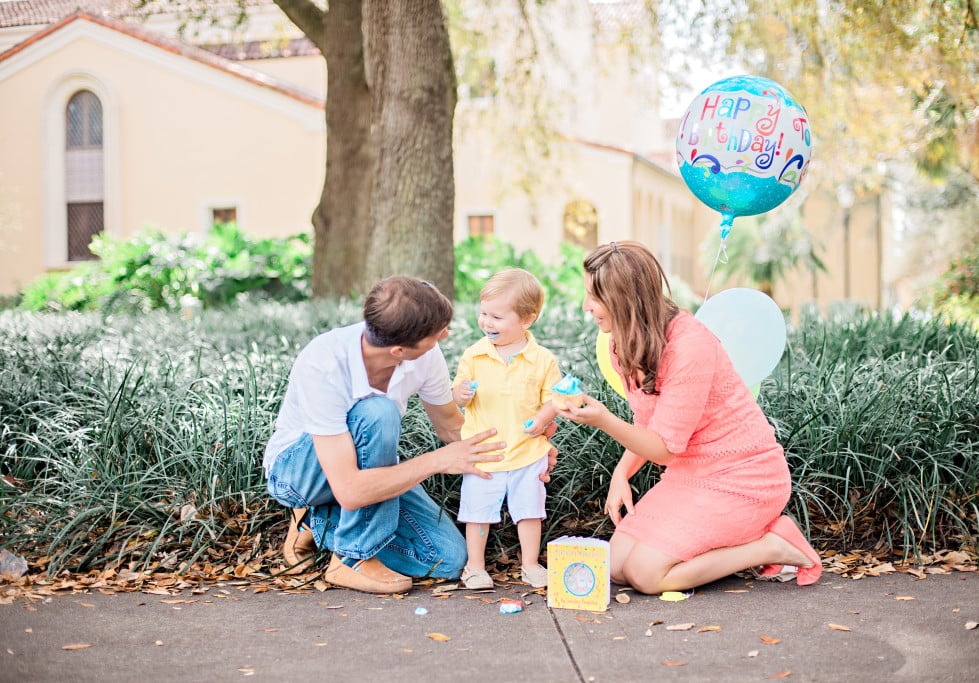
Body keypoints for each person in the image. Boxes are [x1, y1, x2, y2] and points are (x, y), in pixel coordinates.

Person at [554, 241, 822, 594]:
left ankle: (771, 546)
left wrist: (602, 419)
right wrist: (622, 473)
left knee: (647, 576)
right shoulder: (623, 342)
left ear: (625, 299)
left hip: (744, 477)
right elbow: (648, 424)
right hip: (689, 476)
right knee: (617, 566)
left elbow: (663, 449)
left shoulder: (689, 345)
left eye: (595, 297)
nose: (587, 307)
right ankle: (727, 545)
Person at [262, 276, 508, 594]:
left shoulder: (424, 355)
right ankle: (351, 558)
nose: (445, 336)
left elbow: (450, 425)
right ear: (399, 350)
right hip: (300, 474)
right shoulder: (325, 364)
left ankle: (316, 522)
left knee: (446, 559)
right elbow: (349, 489)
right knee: (378, 411)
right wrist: (437, 461)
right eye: (437, 334)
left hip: (363, 471)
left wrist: (518, 450)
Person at [452, 268, 562, 590]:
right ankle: (475, 566)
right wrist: (460, 394)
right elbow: (457, 390)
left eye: (497, 317)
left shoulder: (542, 360)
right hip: (484, 452)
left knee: (530, 511)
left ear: (527, 320)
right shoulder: (474, 355)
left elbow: (554, 399)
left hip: (527, 451)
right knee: (478, 512)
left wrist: (542, 419)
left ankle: (529, 564)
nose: (487, 322)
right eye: (483, 313)